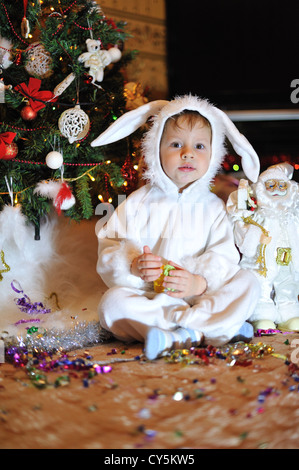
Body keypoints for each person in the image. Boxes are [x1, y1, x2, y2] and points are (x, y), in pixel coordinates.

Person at [91, 95, 261, 360]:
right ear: (156, 149)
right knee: (111, 305)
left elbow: (225, 257)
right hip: (150, 299)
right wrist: (133, 265)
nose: (187, 153)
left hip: (199, 297)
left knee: (249, 283)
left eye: (200, 146)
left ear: (214, 153)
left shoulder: (214, 207)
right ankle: (210, 331)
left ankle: (181, 334)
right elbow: (111, 245)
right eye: (176, 144)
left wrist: (198, 283)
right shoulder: (137, 202)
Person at [227, 162, 299, 332]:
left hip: (287, 260)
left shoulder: (292, 216)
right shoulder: (258, 213)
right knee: (262, 286)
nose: (276, 189)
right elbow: (242, 227)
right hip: (261, 262)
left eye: (282, 186)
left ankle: (289, 315)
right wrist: (258, 237)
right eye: (271, 185)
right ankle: (262, 316)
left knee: (287, 286)